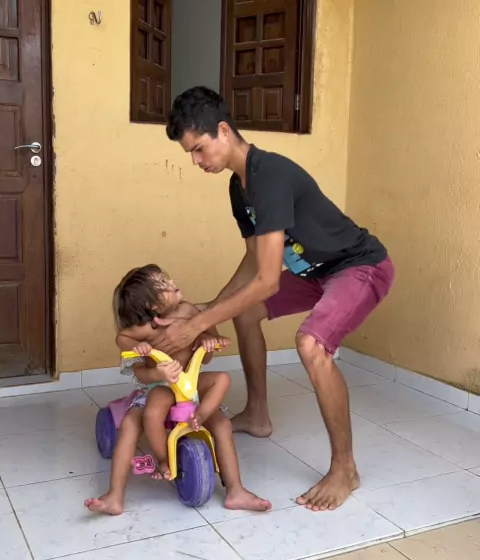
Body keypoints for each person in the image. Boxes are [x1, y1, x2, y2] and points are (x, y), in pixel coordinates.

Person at [145, 86, 395, 513]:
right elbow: (255, 260)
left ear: (224, 131)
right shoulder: (239, 188)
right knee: (244, 315)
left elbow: (265, 281)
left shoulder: (271, 175)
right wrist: (207, 311)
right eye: (190, 153)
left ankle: (345, 469)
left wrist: (196, 324)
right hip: (315, 272)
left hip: (359, 266)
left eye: (199, 148)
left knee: (311, 344)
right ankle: (258, 415)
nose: (196, 161)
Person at [85, 263, 271, 515]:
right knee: (136, 421)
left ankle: (234, 489)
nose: (172, 283)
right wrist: (143, 352)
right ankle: (123, 489)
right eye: (163, 284)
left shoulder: (191, 311)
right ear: (152, 306)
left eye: (168, 279)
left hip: (190, 386)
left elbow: (208, 348)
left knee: (222, 403)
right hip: (161, 386)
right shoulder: (148, 328)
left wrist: (208, 340)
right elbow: (123, 340)